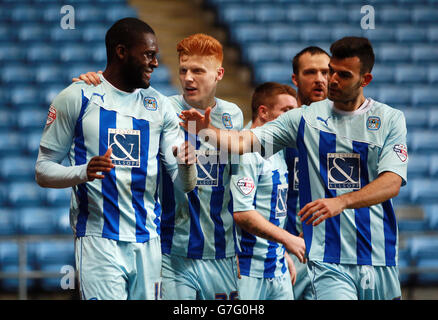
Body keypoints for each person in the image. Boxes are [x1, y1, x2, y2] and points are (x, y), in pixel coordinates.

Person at [179, 36, 408, 300]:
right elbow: (246, 141)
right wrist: (207, 131)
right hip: (327, 259)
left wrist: (342, 201)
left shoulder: (390, 119)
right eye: (331, 71)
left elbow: (391, 182)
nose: (331, 80)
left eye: (342, 75)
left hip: (380, 254)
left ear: (364, 80)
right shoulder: (304, 119)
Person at [35, 18, 197, 300]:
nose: (156, 63)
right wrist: (84, 171)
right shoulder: (77, 97)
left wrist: (187, 165)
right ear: (121, 52)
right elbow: (42, 170)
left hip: (148, 242)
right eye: (148, 54)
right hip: (99, 241)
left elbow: (184, 185)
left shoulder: (160, 106)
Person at [75, 33, 244, 300]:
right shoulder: (161, 107)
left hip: (221, 251)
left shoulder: (233, 115)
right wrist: (97, 81)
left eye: (198, 71)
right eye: (184, 70)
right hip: (170, 251)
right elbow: (118, 92)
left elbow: (240, 182)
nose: (188, 78)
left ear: (219, 74)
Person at [231, 82, 305, 300]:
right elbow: (242, 213)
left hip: (277, 267)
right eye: (286, 111)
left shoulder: (277, 149)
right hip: (247, 270)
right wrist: (288, 240)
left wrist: (282, 253)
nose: (293, 119)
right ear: (263, 112)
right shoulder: (246, 150)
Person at [285, 46, 330, 300]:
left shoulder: (345, 131)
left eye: (325, 72)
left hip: (334, 254)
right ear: (295, 79)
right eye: (310, 72)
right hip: (292, 252)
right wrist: (278, 246)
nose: (319, 79)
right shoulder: (277, 132)